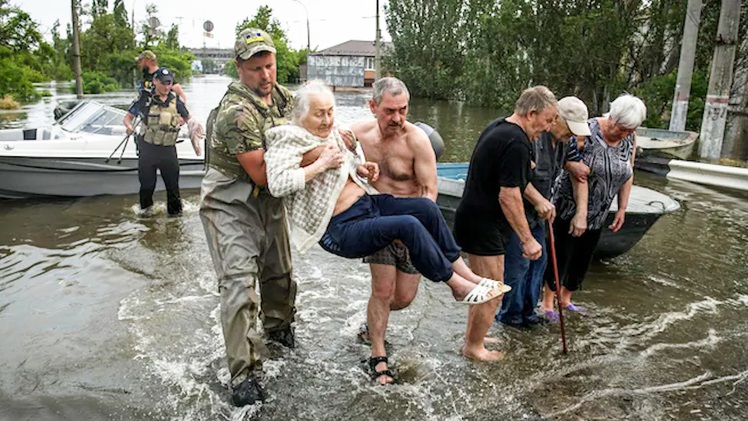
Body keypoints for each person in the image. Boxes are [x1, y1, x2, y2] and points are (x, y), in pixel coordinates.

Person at [263, 80, 507, 383]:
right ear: (373, 107)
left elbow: (420, 188)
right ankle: (448, 293)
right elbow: (279, 182)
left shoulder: (410, 140)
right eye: (319, 114)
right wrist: (322, 161)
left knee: (423, 221)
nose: (327, 120)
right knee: (386, 281)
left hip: (376, 210)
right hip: (346, 227)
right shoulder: (301, 137)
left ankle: (465, 276)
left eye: (330, 112)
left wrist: (363, 169)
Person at [198, 28, 296, 407]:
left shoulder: (282, 97)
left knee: (280, 276)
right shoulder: (236, 113)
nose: (265, 76)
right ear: (239, 68)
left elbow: (311, 129)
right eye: (255, 68)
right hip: (231, 203)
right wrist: (319, 161)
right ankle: (245, 374)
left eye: (269, 66)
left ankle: (280, 333)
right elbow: (264, 174)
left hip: (269, 202)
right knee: (239, 287)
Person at [453, 86, 558, 361]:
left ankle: (473, 336)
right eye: (547, 120)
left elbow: (516, 181)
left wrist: (537, 202)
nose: (547, 128)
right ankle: (473, 348)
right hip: (483, 223)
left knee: (485, 288)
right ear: (532, 113)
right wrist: (527, 239)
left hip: (477, 219)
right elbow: (509, 195)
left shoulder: (500, 127)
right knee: (492, 290)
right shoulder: (517, 142)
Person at [349, 77, 438, 385]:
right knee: (383, 292)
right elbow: (325, 141)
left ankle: (369, 325)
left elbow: (430, 191)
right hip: (379, 224)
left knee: (403, 298)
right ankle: (378, 355)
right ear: (372, 106)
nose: (398, 118)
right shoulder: (358, 134)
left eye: (403, 110)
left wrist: (417, 229)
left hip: (411, 228)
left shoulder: (416, 140)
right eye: (390, 111)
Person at [540, 94, 647, 318]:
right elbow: (565, 159)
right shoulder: (586, 130)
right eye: (624, 128)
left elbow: (628, 172)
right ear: (614, 119)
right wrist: (579, 210)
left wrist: (622, 207)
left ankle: (566, 298)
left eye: (631, 130)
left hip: (600, 209)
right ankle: (548, 303)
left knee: (583, 256)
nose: (626, 134)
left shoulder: (630, 138)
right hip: (569, 205)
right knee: (562, 252)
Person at [495, 96, 592, 327]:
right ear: (555, 119)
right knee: (519, 266)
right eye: (570, 129)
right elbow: (514, 179)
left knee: (540, 262)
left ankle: (529, 314)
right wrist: (538, 200)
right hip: (519, 211)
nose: (573, 136)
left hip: (541, 216)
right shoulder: (531, 137)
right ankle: (511, 317)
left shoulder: (565, 142)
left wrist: (581, 212)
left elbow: (574, 169)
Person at [123, 66, 203, 216]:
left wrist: (195, 126)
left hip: (168, 150)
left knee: (173, 189)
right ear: (155, 81)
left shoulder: (175, 100)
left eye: (169, 83)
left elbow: (188, 118)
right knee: (147, 186)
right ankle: (147, 221)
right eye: (163, 83)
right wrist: (129, 128)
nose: (166, 87)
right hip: (148, 150)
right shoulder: (145, 99)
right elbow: (128, 118)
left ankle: (175, 223)